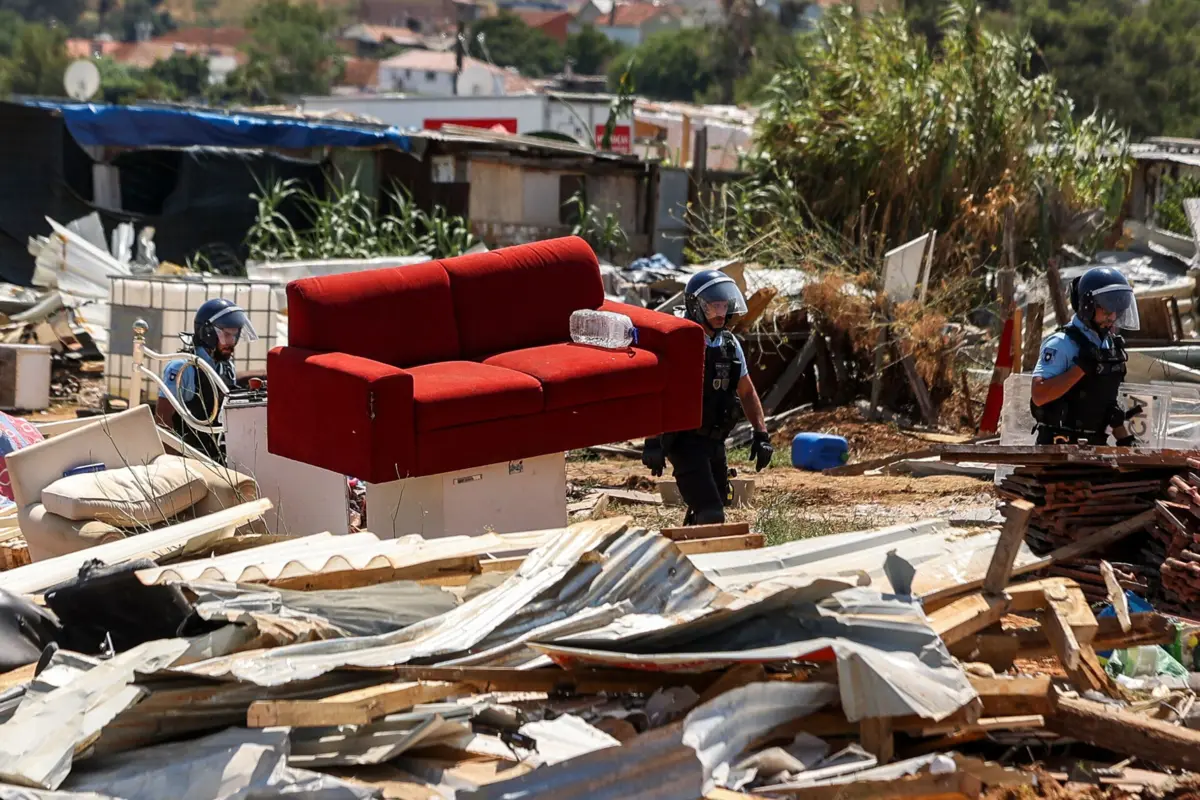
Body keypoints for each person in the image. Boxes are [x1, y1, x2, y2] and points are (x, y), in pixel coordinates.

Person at [642, 271, 774, 525]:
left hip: (715, 441)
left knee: (713, 504)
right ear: (696, 305)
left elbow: (746, 392)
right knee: (711, 513)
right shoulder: (679, 341)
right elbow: (658, 391)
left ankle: (688, 550)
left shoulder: (730, 345)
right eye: (713, 306)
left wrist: (761, 435)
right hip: (684, 442)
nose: (720, 313)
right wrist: (652, 441)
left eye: (724, 306)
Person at [1030, 266, 1140, 446]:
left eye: (1117, 310)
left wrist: (1125, 439)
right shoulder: (1061, 343)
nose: (1112, 317)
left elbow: (1104, 404)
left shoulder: (1108, 345)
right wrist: (1080, 369)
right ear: (1088, 305)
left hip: (1095, 447)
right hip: (1058, 451)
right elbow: (1039, 395)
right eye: (1106, 309)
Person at [157, 298, 258, 461]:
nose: (232, 342)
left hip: (215, 455)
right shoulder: (183, 367)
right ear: (208, 333)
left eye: (235, 335)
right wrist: (171, 463)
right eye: (226, 335)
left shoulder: (226, 366)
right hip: (186, 457)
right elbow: (163, 418)